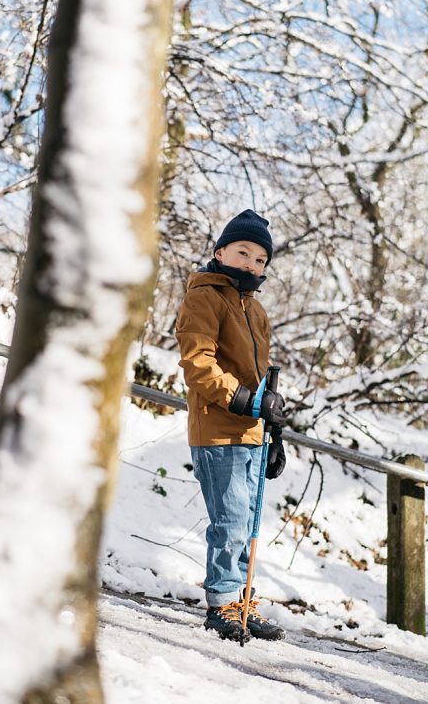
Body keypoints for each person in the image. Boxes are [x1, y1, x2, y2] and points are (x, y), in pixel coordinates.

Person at [175, 209, 287, 642]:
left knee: (250, 518)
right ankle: (222, 604)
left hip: (253, 432)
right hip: (218, 429)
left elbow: (260, 381)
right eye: (243, 253)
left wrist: (273, 431)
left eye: (260, 260)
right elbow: (197, 363)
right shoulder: (204, 298)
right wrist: (245, 399)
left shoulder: (256, 311)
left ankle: (241, 601)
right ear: (220, 251)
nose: (251, 265)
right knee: (231, 518)